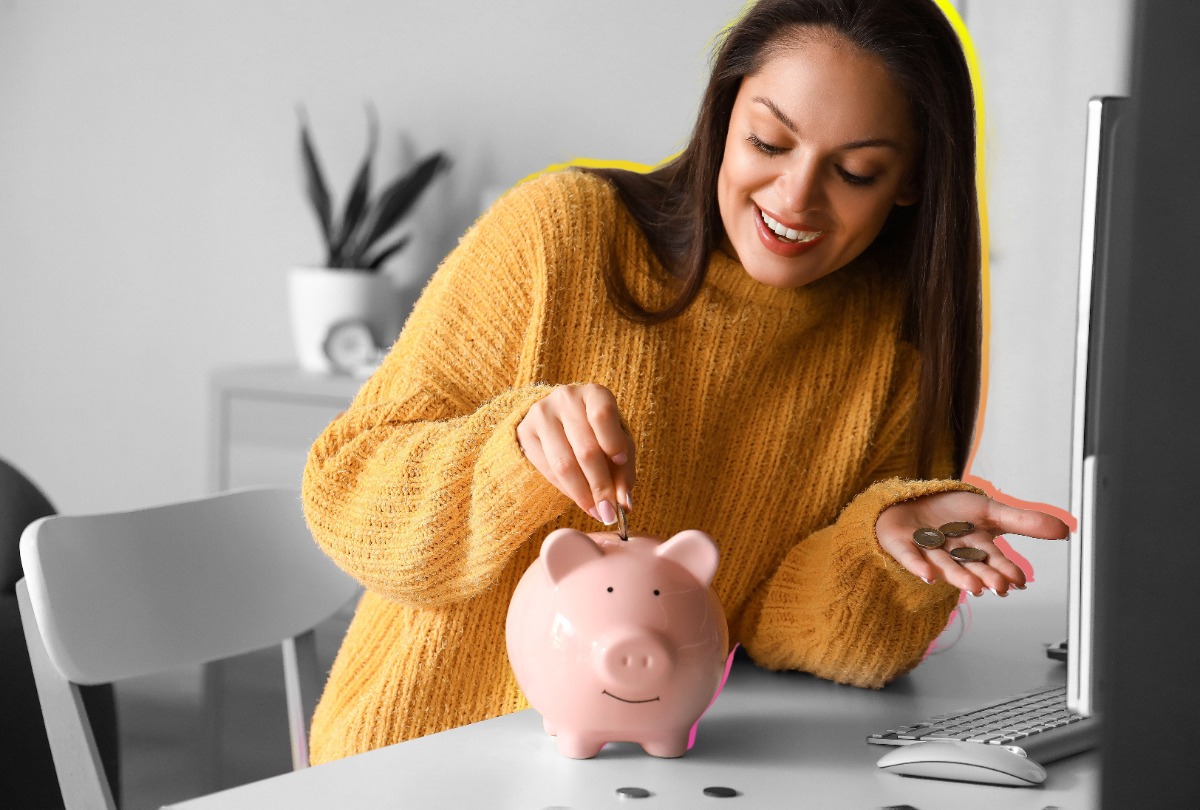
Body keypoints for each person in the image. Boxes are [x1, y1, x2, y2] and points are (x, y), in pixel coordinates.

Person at [300, 0, 1069, 765]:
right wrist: (510, 454)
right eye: (770, 141)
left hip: (656, 776)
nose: (795, 198)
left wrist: (879, 550)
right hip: (415, 760)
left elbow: (798, 639)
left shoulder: (891, 345)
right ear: (725, 111)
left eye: (855, 171)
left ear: (910, 181)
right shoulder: (560, 233)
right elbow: (345, 496)